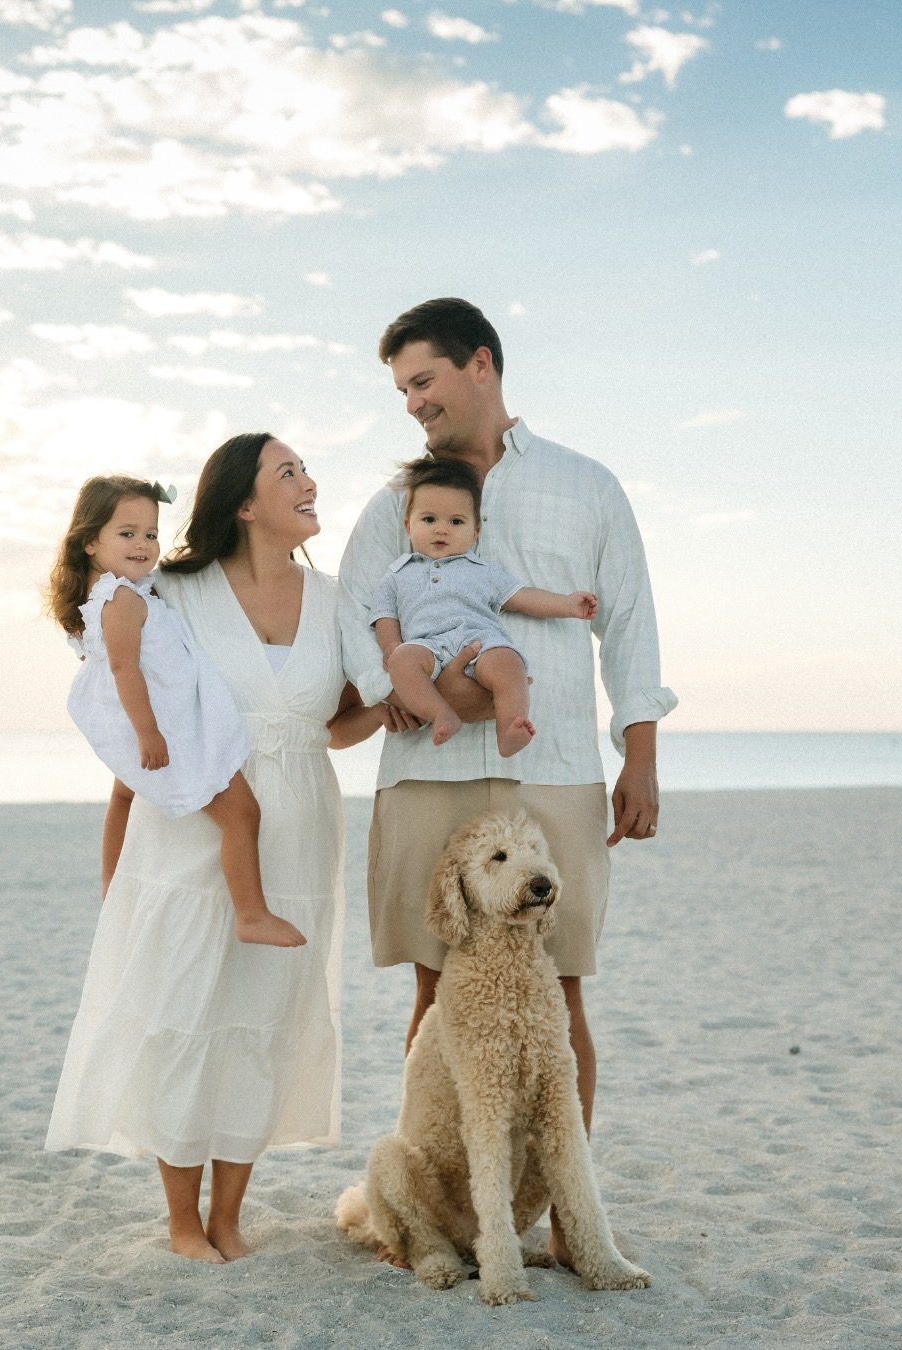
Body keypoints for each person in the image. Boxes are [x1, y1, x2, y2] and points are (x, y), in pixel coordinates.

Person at [337, 297, 676, 1267]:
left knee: (562, 1001)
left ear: (480, 365)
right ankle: (430, 1217)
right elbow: (359, 615)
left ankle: (574, 1225)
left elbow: (631, 624)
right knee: (435, 1001)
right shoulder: (392, 506)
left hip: (554, 769)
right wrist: (390, 690)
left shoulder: (586, 487)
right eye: (402, 388)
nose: (413, 404)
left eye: (424, 381)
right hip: (430, 768)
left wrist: (641, 752)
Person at [46, 435, 386, 1263]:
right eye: (289, 472)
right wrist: (116, 855)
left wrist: (386, 713)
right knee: (186, 1015)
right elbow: (131, 702)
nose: (309, 482)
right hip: (193, 826)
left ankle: (229, 1214)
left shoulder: (336, 597)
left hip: (299, 825)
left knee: (264, 1023)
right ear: (243, 502)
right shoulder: (176, 589)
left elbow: (333, 724)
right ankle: (181, 1220)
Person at [48, 474, 304, 947]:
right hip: (169, 725)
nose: (144, 545)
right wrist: (149, 734)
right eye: (127, 534)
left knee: (124, 797)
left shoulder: (120, 593)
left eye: (150, 533)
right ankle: (251, 913)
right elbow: (125, 669)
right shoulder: (121, 600)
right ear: (89, 542)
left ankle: (112, 886)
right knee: (242, 813)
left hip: (158, 716)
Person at [371, 456, 597, 756]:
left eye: (456, 521)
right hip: (425, 646)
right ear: (407, 526)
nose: (442, 529)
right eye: (429, 519)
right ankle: (441, 713)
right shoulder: (397, 575)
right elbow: (385, 616)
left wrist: (567, 604)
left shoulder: (481, 570)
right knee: (401, 662)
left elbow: (523, 596)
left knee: (510, 665)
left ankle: (510, 728)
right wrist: (392, 645)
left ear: (475, 531)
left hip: (481, 642)